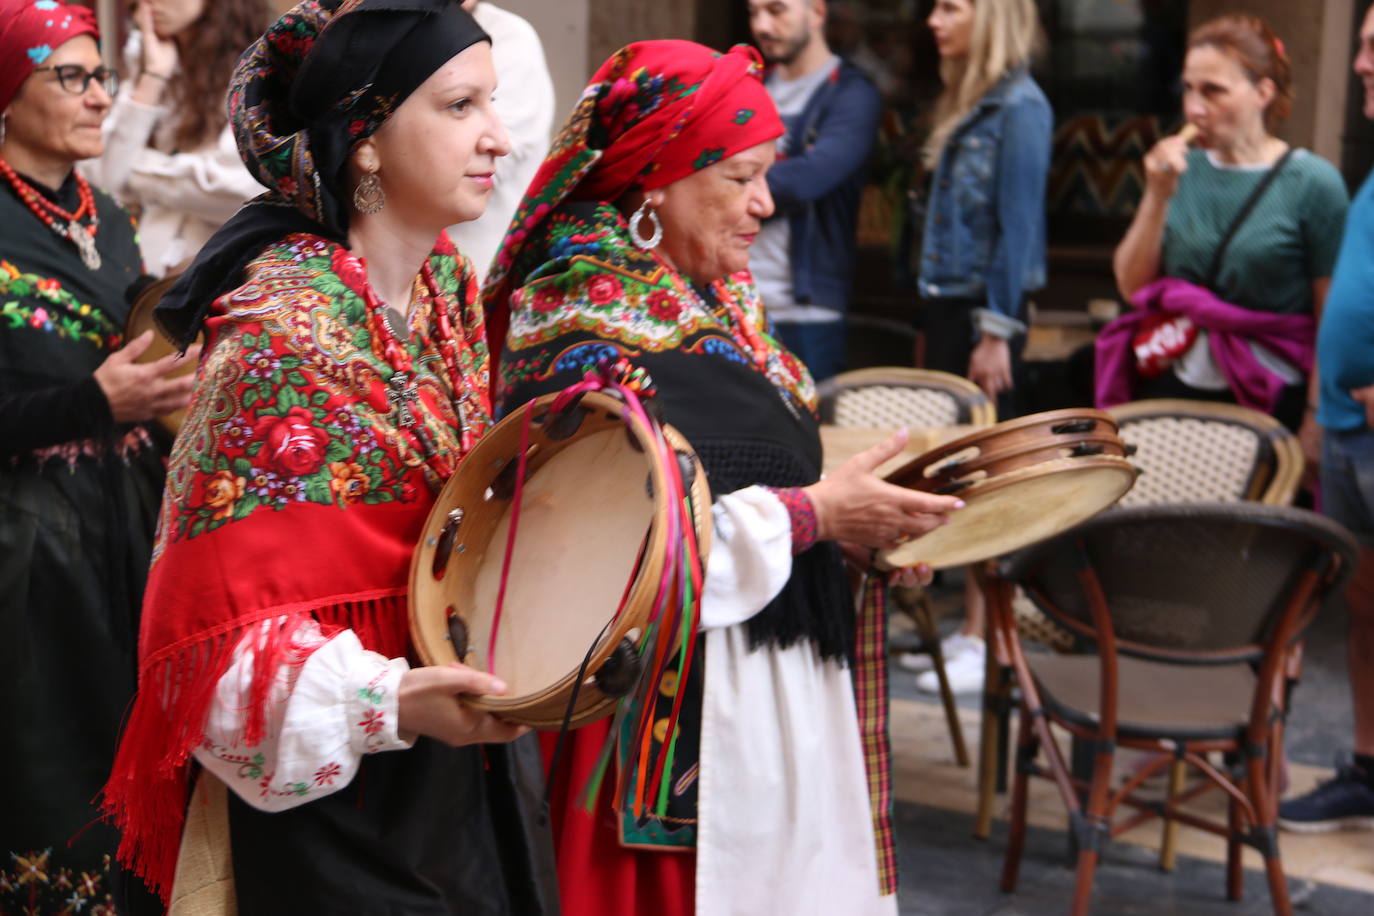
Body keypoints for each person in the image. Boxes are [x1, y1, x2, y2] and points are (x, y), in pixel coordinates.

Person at [484, 39, 962, 916]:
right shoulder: (572, 325)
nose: (765, 204)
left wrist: (860, 535)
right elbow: (590, 551)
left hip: (775, 698)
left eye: (767, 174)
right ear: (655, 180)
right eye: (741, 176)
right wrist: (815, 516)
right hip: (659, 740)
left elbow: (752, 489)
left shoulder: (726, 301)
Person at [101, 3, 560, 912]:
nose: (501, 140)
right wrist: (389, 704)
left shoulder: (447, 292)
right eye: (461, 106)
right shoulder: (279, 330)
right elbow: (215, 640)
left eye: (494, 105)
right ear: (368, 141)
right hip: (338, 805)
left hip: (459, 773)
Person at [0, 2, 196, 911]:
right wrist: (93, 401)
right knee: (49, 775)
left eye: (98, 75)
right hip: (27, 562)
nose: (95, 96)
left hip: (125, 537)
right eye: (68, 76)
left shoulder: (108, 217)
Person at [1100, 15, 1348, 449]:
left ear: (1263, 93)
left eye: (1213, 91)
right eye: (1189, 89)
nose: (1195, 108)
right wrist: (1157, 196)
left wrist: (1316, 417)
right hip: (1174, 386)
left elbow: (1331, 317)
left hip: (1268, 396)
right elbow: (1132, 285)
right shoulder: (1181, 171)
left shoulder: (1313, 183)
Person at [902, 0, 1051, 695]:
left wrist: (997, 331)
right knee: (956, 467)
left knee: (989, 473)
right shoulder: (973, 101)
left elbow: (1018, 233)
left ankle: (984, 635)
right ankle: (964, 627)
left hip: (984, 314)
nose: (935, 19)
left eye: (951, 7)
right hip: (950, 305)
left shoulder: (1021, 108)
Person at [1276, 1, 1374, 834]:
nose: (1362, 64)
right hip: (1349, 432)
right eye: (1364, 47)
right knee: (1367, 608)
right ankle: (1368, 771)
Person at [745, 0, 882, 382]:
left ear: (817, 13)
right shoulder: (748, 89)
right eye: (754, 13)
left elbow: (809, 180)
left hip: (806, 311)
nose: (762, 25)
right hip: (736, 302)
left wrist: (729, 179)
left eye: (776, 10)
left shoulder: (852, 95)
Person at [80, 0, 266, 278]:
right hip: (146, 278)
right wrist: (153, 77)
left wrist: (132, 168)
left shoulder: (256, 69)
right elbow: (102, 181)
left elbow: (241, 189)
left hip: (228, 281)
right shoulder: (150, 60)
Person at [446, 0, 553, 282]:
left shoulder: (510, 38)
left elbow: (497, 157)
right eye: (460, 104)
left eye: (460, 104)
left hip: (484, 273)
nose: (498, 142)